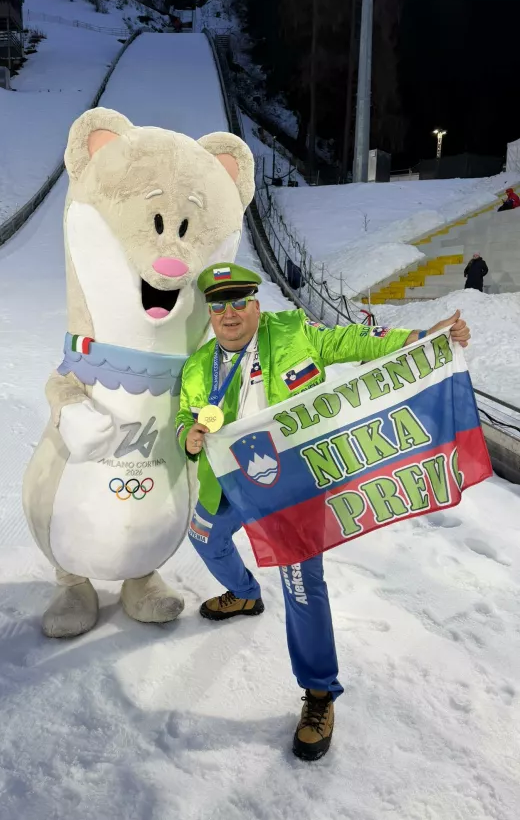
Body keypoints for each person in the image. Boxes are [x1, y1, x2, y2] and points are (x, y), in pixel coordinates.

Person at [175, 263, 471, 762]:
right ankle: (245, 595)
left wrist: (424, 337)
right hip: (224, 484)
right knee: (203, 537)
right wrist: (190, 434)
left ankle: (318, 695)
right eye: (218, 305)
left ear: (256, 305)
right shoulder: (198, 366)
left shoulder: (292, 332)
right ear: (210, 313)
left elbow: (356, 341)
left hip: (289, 489)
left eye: (238, 301)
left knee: (301, 586)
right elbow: (186, 414)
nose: (228, 313)